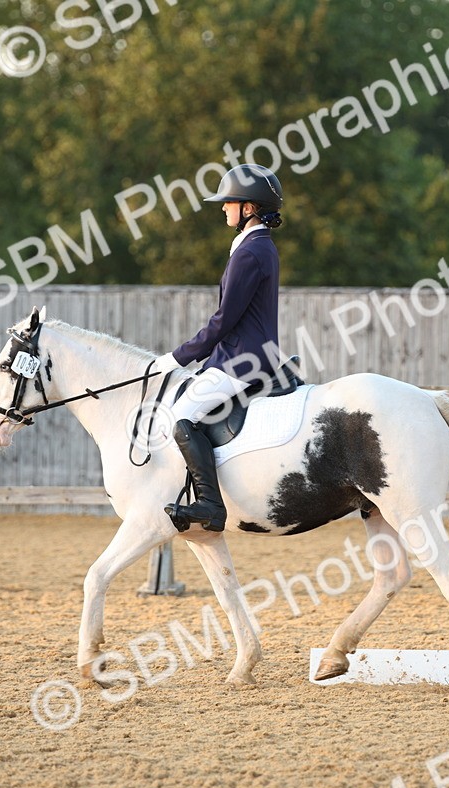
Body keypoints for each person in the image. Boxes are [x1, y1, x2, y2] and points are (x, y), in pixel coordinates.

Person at [152, 164, 284, 532]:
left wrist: (177, 358)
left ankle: (211, 505)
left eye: (229, 201)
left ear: (249, 208)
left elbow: (223, 320)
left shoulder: (249, 253)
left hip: (243, 361)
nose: (223, 207)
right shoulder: (259, 246)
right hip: (243, 355)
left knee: (182, 416)